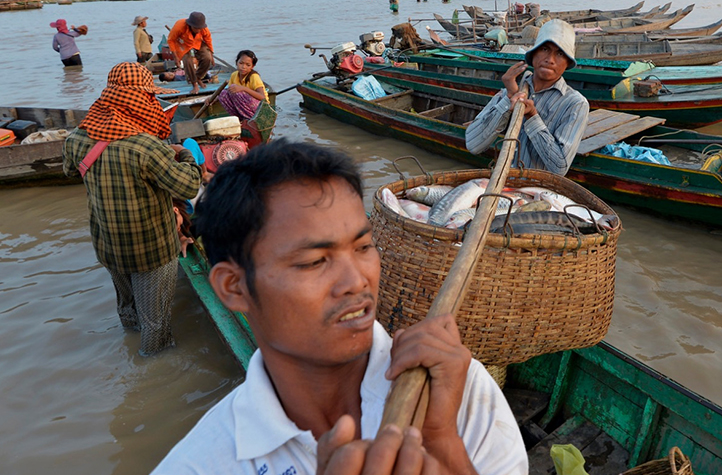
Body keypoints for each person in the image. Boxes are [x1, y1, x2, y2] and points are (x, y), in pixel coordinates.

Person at [151, 139, 527, 475]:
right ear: (233, 287)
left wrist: (445, 445)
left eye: (363, 247)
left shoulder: (456, 390)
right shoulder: (201, 463)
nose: (357, 281)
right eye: (314, 262)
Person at [62, 62, 202, 356]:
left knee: (127, 307)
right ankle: (153, 369)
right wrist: (184, 153)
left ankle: (128, 345)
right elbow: (188, 187)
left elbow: (69, 171)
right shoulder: (147, 147)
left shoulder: (76, 138)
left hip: (109, 246)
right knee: (156, 323)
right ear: (139, 98)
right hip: (151, 250)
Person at [465, 19, 589, 175]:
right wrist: (508, 100)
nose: (550, 59)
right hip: (503, 183)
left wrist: (532, 116)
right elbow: (473, 145)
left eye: (559, 53)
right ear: (534, 54)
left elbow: (559, 168)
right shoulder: (512, 90)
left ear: (567, 62)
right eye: (544, 49)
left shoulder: (575, 104)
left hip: (536, 192)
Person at [167, 11, 214, 95]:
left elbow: (208, 41)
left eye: (200, 28)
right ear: (190, 25)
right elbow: (171, 40)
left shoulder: (204, 29)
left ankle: (198, 77)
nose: (198, 30)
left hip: (197, 42)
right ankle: (194, 83)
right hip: (183, 44)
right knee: (188, 61)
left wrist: (212, 56)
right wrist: (175, 57)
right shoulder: (179, 26)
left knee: (207, 58)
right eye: (196, 28)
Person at [217, 49, 268, 120]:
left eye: (248, 65)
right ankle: (240, 119)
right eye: (241, 63)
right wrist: (213, 98)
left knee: (237, 93)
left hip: (261, 109)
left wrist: (243, 88)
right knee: (224, 94)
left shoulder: (254, 76)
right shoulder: (234, 75)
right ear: (236, 62)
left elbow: (262, 97)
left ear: (252, 66)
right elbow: (229, 91)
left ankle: (252, 119)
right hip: (246, 107)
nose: (243, 67)